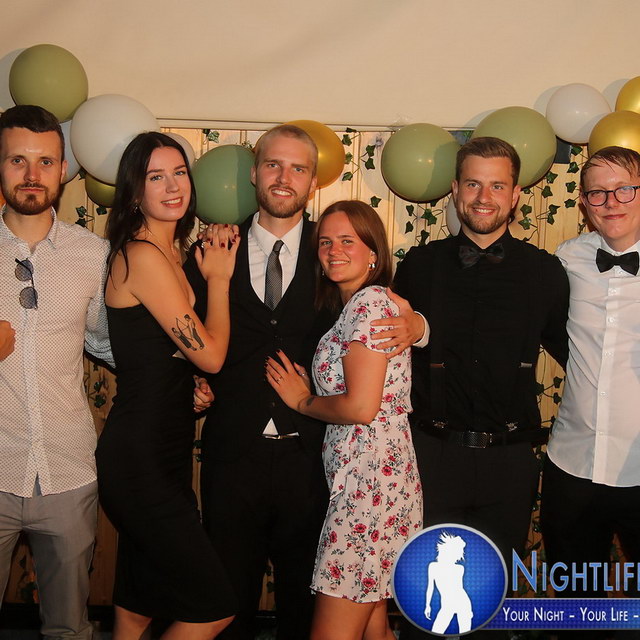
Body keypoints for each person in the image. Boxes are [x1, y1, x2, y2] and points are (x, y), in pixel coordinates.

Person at [184, 125, 417, 640]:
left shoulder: (332, 249)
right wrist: (191, 381)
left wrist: (419, 327)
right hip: (232, 454)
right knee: (226, 601)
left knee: (307, 603)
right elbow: (180, 329)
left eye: (298, 168)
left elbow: (393, 311)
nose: (284, 177)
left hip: (315, 460)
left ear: (313, 181)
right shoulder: (215, 248)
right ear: (254, 173)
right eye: (273, 164)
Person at [390, 137, 569, 638]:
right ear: (454, 189)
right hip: (430, 455)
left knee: (490, 603)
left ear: (515, 195)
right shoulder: (419, 266)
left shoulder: (545, 273)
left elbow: (577, 355)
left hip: (508, 462)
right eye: (473, 184)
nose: (484, 197)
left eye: (497, 185)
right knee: (424, 606)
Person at [95, 132, 238, 639]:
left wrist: (186, 385)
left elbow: (164, 354)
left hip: (165, 448)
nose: (173, 186)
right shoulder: (143, 256)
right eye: (156, 177)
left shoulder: (171, 253)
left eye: (179, 173)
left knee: (138, 605)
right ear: (135, 191)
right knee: (214, 608)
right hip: (140, 458)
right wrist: (218, 280)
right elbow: (213, 355)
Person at [265, 200, 423, 640]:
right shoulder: (358, 305)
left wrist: (303, 401)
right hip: (377, 484)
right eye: (326, 242)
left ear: (373, 251)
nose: (333, 250)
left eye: (347, 241)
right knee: (375, 629)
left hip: (367, 490)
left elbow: (360, 408)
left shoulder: (368, 304)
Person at [0, 105, 113, 639]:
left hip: (68, 470)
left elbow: (110, 344)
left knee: (69, 628)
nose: (32, 174)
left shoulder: (94, 254)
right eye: (17, 160)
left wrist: (181, 378)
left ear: (63, 169)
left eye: (45, 161)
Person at [541, 145, 640, 605]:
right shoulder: (568, 257)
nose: (611, 202)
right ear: (583, 203)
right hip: (572, 466)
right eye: (598, 193)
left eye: (624, 189)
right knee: (577, 609)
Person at [424, 532, 472, 635]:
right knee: (436, 632)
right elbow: (430, 587)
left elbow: (459, 588)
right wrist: (427, 605)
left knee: (465, 634)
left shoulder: (459, 568)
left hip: (463, 603)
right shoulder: (433, 566)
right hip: (447, 605)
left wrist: (468, 610)